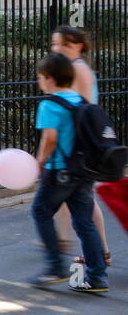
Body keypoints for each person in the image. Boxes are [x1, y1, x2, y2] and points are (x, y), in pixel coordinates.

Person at [30, 52, 108, 292]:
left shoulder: (49, 104)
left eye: (41, 77)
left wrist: (39, 163)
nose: (40, 82)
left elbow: (50, 139)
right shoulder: (81, 101)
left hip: (60, 171)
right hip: (84, 170)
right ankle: (97, 278)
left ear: (50, 79)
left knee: (41, 211)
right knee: (85, 223)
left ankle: (55, 267)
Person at [50, 26, 111, 266]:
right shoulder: (72, 69)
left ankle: (100, 251)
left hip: (79, 146)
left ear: (79, 46)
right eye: (56, 44)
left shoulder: (78, 69)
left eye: (64, 44)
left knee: (83, 200)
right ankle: (69, 240)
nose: (58, 49)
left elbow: (85, 110)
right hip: (72, 146)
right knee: (77, 198)